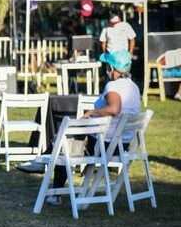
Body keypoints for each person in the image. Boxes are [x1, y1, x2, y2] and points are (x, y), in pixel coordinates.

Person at [46, 50, 141, 205]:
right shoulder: (134, 87)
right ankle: (47, 153)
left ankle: (55, 191)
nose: (106, 69)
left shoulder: (113, 86)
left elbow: (114, 108)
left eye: (107, 66)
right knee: (65, 138)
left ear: (111, 68)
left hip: (104, 145)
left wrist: (92, 112)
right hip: (123, 145)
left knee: (63, 142)